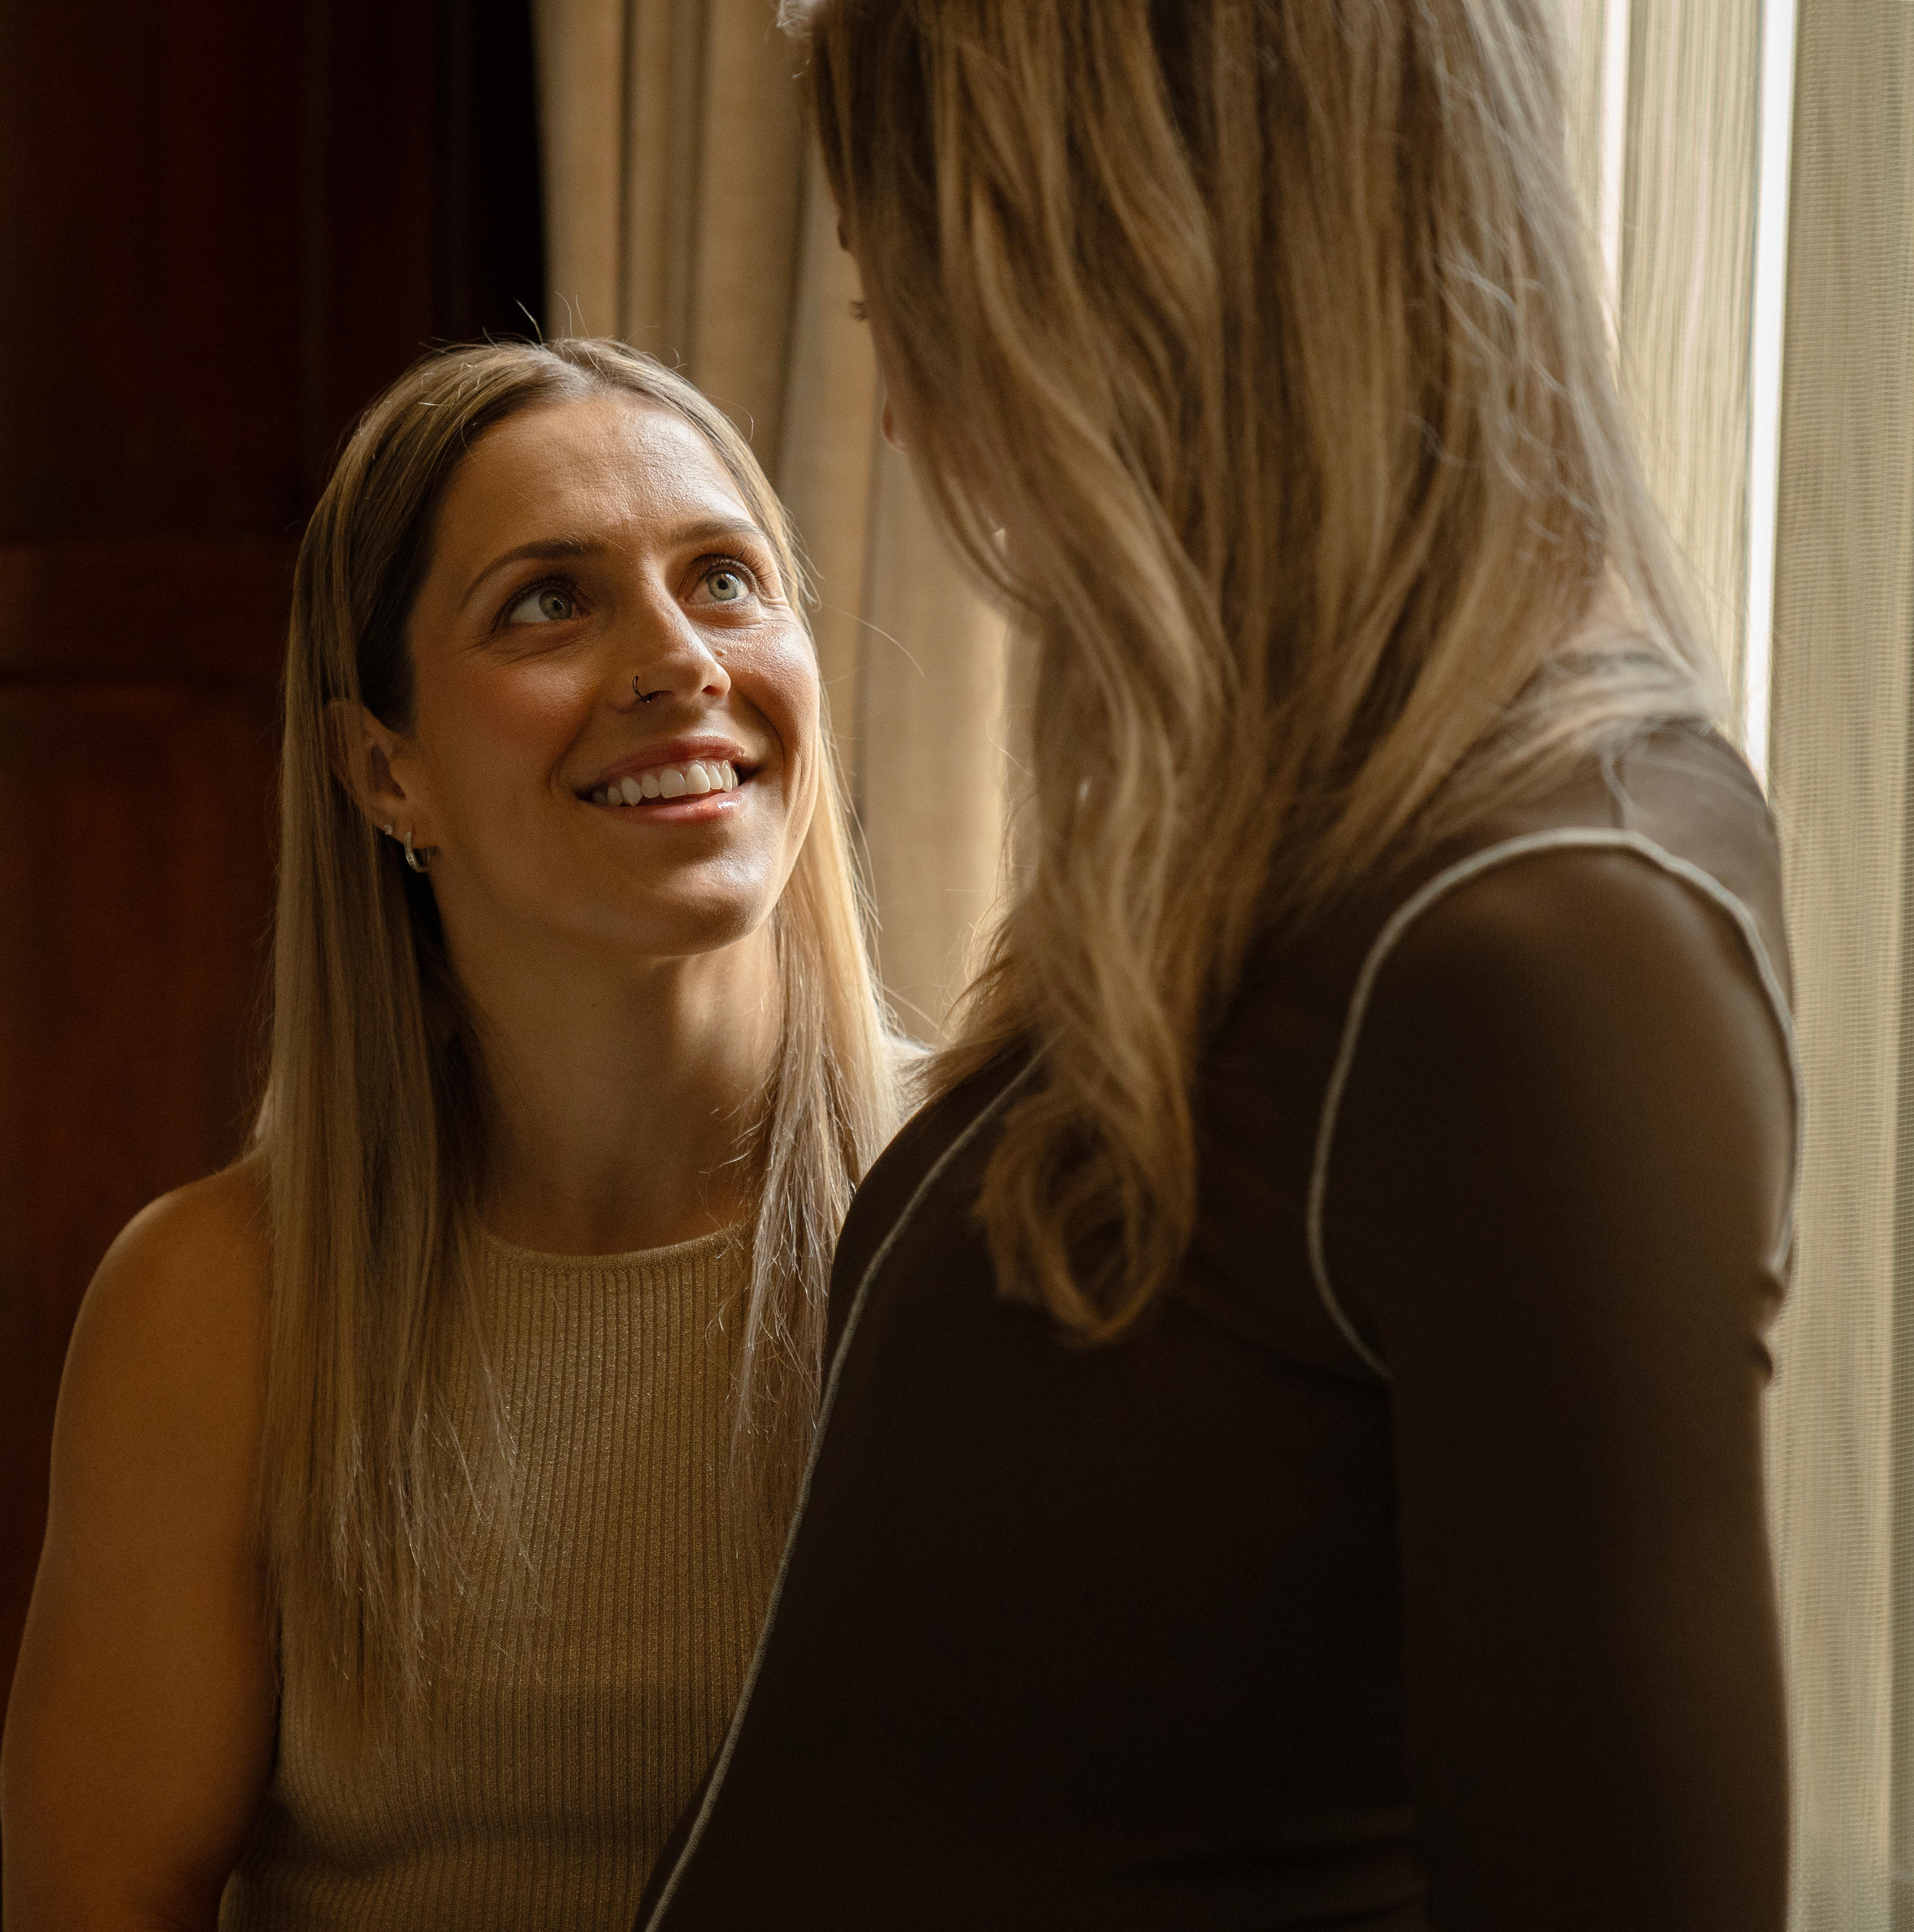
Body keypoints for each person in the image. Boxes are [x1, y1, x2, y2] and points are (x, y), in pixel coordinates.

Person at [639, 3, 1796, 1927]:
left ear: (1138, 269)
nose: (913, 415)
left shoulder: (1542, 940)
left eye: (912, 305)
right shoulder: (1292, 854)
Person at [0, 338, 906, 1930]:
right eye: (549, 600)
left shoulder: (996, 1203)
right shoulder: (218, 1302)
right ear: (383, 768)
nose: (679, 658)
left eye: (728, 579)